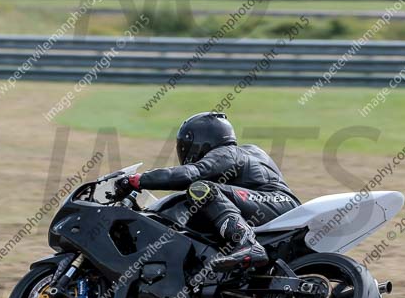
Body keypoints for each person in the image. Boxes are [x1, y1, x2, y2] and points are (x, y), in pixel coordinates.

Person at [115, 112, 299, 271]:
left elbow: (192, 173)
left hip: (276, 203)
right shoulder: (249, 151)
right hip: (280, 205)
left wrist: (141, 180)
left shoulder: (227, 152)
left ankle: (246, 243)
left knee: (201, 188)